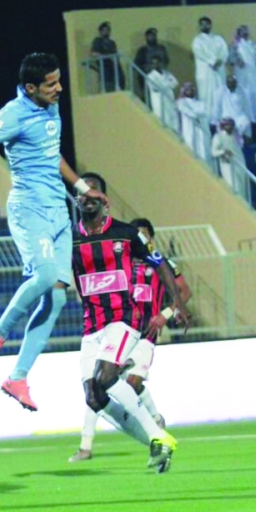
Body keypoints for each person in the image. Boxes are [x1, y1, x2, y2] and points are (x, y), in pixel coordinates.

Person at [0, 53, 108, 412]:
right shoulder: (13, 113)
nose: (59, 88)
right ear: (30, 88)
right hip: (30, 209)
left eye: (58, 81)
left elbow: (52, 154)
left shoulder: (50, 108)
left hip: (59, 211)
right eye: (50, 84)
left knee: (57, 299)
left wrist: (82, 189)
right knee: (44, 277)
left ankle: (18, 378)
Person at [65, 174, 188, 472]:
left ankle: (157, 433)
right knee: (94, 397)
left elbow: (160, 263)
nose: (87, 197)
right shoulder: (69, 239)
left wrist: (176, 303)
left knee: (107, 376)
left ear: (104, 198)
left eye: (93, 192)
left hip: (123, 318)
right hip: (91, 325)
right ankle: (157, 442)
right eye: (82, 192)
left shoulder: (126, 233)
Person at [191, 16, 228, 123]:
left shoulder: (218, 39)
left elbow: (225, 52)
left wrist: (220, 61)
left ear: (210, 25)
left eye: (206, 24)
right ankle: (207, 122)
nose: (204, 26)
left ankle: (220, 120)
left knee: (219, 94)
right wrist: (212, 61)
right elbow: (199, 53)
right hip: (205, 73)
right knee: (205, 96)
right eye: (202, 24)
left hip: (218, 72)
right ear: (199, 26)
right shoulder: (197, 40)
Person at [176, 82, 210, 163]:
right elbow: (185, 110)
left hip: (200, 127)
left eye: (192, 89)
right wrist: (195, 115)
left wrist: (195, 115)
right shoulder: (181, 102)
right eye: (188, 89)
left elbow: (205, 111)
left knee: (202, 147)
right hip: (189, 127)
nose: (190, 91)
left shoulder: (200, 103)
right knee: (190, 145)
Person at [145, 56, 180, 132]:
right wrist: (168, 84)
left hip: (169, 100)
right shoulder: (150, 76)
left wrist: (164, 85)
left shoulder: (167, 73)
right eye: (154, 63)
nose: (156, 65)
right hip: (159, 102)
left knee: (173, 120)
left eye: (157, 63)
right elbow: (156, 88)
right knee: (162, 121)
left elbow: (175, 83)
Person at [133, 27, 169, 96]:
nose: (152, 37)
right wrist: (148, 67)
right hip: (147, 79)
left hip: (160, 78)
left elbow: (166, 61)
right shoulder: (142, 51)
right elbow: (136, 65)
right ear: (146, 37)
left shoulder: (161, 48)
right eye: (150, 36)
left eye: (153, 35)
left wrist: (159, 66)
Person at [91, 21, 125, 92]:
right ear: (100, 31)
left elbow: (115, 54)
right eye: (104, 30)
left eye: (108, 30)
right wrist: (108, 57)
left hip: (115, 67)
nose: (106, 32)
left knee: (121, 80)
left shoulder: (112, 43)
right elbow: (94, 54)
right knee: (108, 86)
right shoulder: (98, 41)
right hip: (105, 66)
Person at [219, 75, 254, 141]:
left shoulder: (242, 91)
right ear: (226, 83)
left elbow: (246, 106)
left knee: (246, 122)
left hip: (239, 117)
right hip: (226, 117)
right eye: (229, 83)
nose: (231, 84)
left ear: (236, 83)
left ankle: (242, 144)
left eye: (233, 83)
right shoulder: (222, 91)